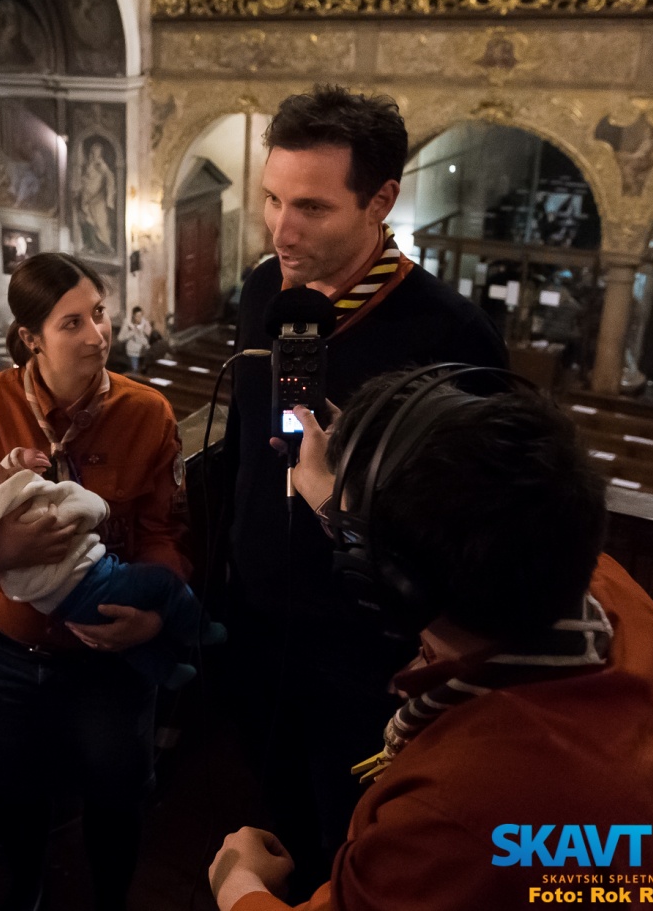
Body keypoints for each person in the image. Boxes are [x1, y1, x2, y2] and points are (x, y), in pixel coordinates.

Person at [207, 371, 653, 911]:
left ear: (388, 583)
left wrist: (240, 886)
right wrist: (351, 493)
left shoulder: (453, 808)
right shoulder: (628, 606)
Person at [222, 85, 507, 897]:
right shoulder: (262, 293)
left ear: (382, 198)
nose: (281, 228)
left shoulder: (451, 336)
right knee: (271, 813)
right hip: (255, 625)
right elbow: (249, 449)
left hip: (367, 657)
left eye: (311, 206)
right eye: (272, 198)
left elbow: (474, 531)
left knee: (354, 838)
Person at [0, 252, 189, 911]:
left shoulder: (147, 413)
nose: (98, 335)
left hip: (109, 656)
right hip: (7, 656)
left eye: (99, 314)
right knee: (16, 795)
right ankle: (28, 894)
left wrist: (154, 617)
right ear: (31, 338)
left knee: (117, 794)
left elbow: (164, 532)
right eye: (72, 322)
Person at [0, 446, 220, 688]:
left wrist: (153, 621)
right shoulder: (27, 501)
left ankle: (166, 672)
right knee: (164, 583)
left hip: (61, 608)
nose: (11, 471)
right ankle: (198, 628)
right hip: (79, 592)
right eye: (4, 473)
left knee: (125, 641)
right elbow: (84, 506)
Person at [118, 306, 152, 373]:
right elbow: (120, 338)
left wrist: (146, 328)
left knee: (144, 372)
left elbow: (149, 334)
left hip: (143, 352)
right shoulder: (128, 323)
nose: (139, 318)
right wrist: (132, 332)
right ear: (133, 316)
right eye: (137, 316)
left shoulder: (144, 322)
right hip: (133, 353)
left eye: (141, 316)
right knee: (135, 372)